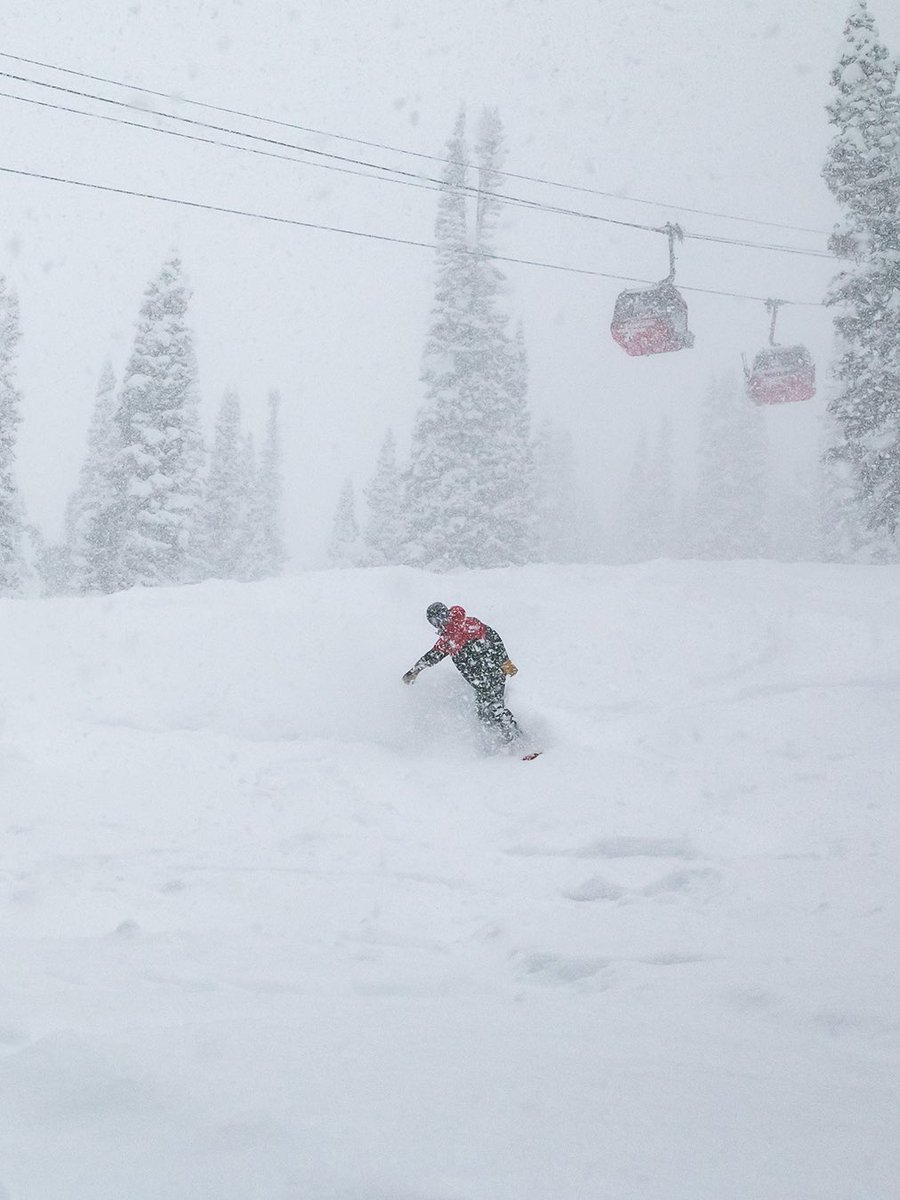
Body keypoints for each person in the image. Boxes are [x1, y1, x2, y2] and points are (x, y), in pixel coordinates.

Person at [402, 602, 521, 745]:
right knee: (483, 714)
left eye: (441, 617)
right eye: (435, 621)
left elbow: (494, 638)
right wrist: (415, 671)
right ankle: (502, 742)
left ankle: (518, 741)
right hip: (480, 682)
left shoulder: (467, 625)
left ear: (447, 613)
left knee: (494, 709)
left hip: (491, 673)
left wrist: (505, 661)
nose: (440, 622)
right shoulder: (448, 638)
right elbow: (432, 656)